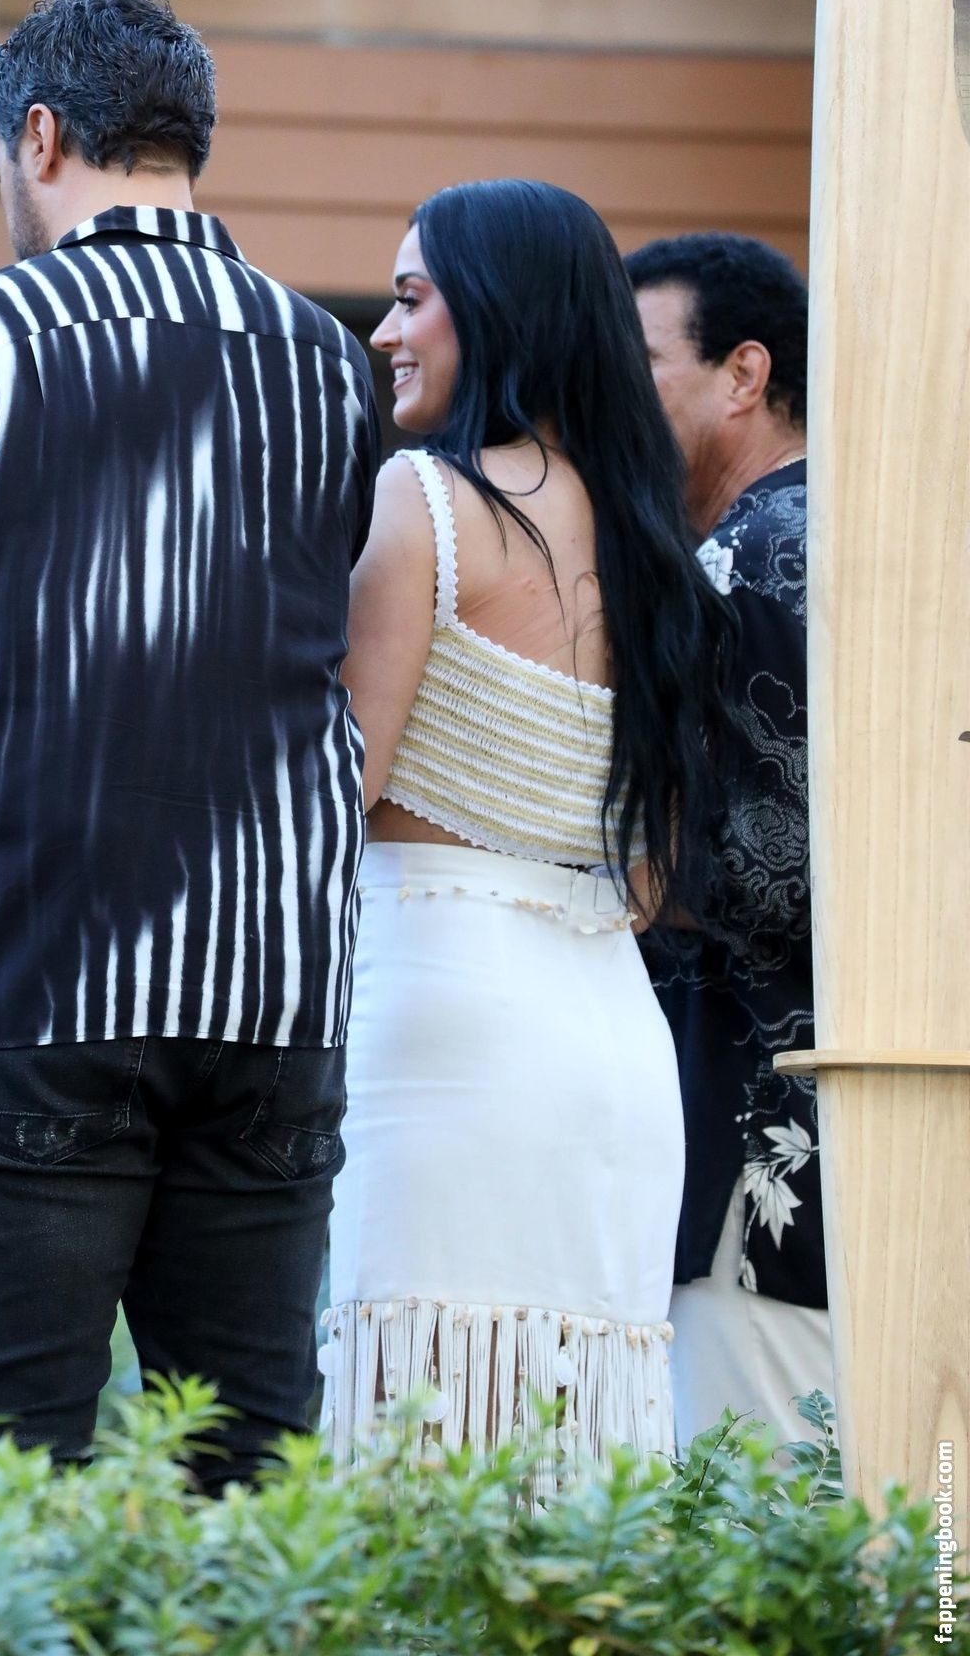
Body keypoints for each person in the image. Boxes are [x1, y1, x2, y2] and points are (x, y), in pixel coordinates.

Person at [0, 0, 380, 1489]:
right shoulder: (325, 361)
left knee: (7, 1488)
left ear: (41, 137)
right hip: (270, 996)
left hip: (31, 980)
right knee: (245, 1487)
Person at [324, 180, 735, 1488]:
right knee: (571, 1472)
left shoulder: (424, 503)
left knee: (409, 1445)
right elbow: (656, 878)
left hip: (440, 1016)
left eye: (411, 298)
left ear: (495, 307)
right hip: (609, 1034)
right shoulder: (653, 542)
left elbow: (336, 794)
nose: (386, 332)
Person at [625, 230, 829, 1446]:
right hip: (876, 1139)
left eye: (641, 362)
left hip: (758, 1147)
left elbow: (765, 867)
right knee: (921, 1517)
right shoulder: (874, 538)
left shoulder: (735, 559)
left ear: (741, 374)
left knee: (757, 1520)